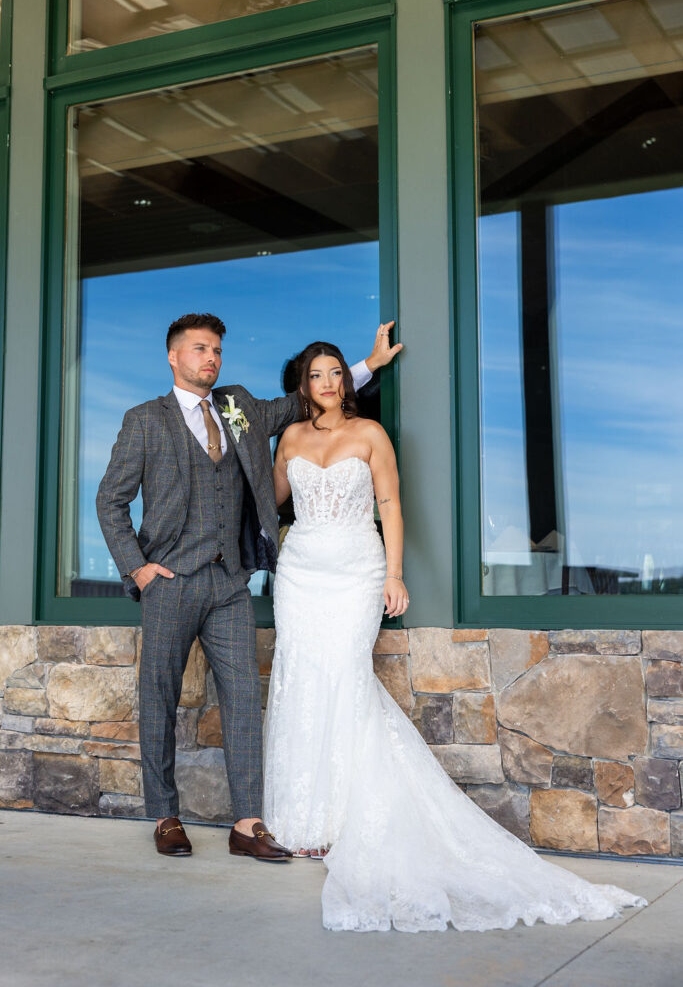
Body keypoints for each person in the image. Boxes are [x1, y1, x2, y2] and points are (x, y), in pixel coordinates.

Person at [263, 341, 646, 932]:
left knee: (343, 675)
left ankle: (344, 819)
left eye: (337, 373)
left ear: (346, 381)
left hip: (354, 571)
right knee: (300, 678)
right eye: (318, 375)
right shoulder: (289, 440)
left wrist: (393, 575)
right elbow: (271, 505)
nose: (329, 382)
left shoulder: (371, 434)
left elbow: (389, 505)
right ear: (304, 385)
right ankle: (301, 823)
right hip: (301, 573)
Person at [96, 314, 401, 860]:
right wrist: (137, 568)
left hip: (230, 581)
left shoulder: (235, 405)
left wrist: (368, 366)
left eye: (215, 350)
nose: (210, 358)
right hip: (169, 582)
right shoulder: (143, 420)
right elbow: (109, 501)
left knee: (242, 700)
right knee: (159, 698)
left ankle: (247, 824)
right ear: (174, 357)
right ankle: (165, 815)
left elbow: (298, 404)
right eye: (198, 349)